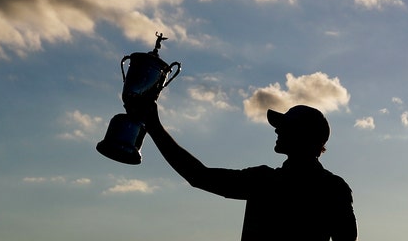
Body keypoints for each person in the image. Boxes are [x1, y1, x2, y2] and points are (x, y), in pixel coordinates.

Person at [127, 102, 358, 241]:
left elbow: (198, 176)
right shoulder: (334, 188)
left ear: (303, 137)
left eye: (285, 127)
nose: (277, 130)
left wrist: (155, 126)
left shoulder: (265, 181)